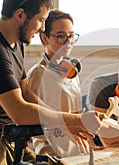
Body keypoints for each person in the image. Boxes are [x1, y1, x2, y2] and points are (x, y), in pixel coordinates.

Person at [0, 1, 107, 165]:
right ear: (20, 15)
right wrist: (75, 120)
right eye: (41, 20)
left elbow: (25, 92)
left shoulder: (14, 46)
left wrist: (68, 124)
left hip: (7, 142)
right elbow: (20, 112)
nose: (42, 27)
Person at [27, 9, 94, 157]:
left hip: (78, 149)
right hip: (50, 152)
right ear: (44, 38)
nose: (68, 42)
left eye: (71, 36)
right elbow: (29, 116)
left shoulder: (72, 74)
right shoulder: (38, 74)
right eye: (61, 36)